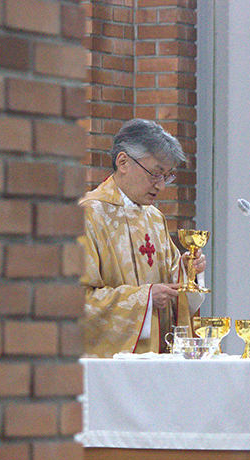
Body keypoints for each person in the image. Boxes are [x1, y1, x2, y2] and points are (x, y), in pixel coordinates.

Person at [78, 119, 206, 357]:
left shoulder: (154, 218)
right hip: (111, 366)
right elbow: (72, 302)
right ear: (123, 162)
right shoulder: (88, 215)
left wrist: (188, 271)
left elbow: (172, 287)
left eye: (166, 176)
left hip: (157, 359)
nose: (161, 185)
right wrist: (144, 300)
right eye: (155, 174)